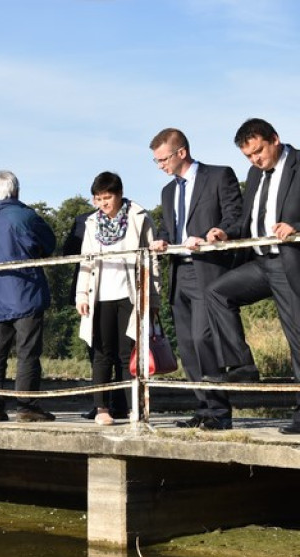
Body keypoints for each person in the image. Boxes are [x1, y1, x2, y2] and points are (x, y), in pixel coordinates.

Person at [206, 119, 300, 435]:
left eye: (258, 151)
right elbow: (247, 221)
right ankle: (244, 367)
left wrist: (297, 229)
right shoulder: (254, 174)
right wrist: (224, 232)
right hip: (260, 262)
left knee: (297, 339)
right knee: (217, 292)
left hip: (291, 264)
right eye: (248, 156)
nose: (255, 160)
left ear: (275, 139)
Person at [148, 127, 244, 431]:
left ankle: (219, 410)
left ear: (181, 152)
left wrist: (218, 232)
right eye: (156, 162)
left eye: (162, 159)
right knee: (188, 344)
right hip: (179, 272)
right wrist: (160, 241)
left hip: (208, 269)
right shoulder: (167, 191)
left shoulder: (219, 176)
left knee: (204, 339)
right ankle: (203, 408)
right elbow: (169, 229)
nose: (160, 165)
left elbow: (236, 216)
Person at [75, 172, 159, 426]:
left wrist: (154, 298)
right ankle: (101, 408)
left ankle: (133, 406)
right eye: (99, 199)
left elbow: (152, 259)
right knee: (102, 353)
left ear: (119, 194)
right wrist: (81, 294)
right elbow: (85, 260)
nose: (103, 203)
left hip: (130, 294)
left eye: (108, 197)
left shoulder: (138, 217)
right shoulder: (92, 223)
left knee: (127, 354)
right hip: (100, 296)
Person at [0, 170, 57, 422]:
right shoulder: (26, 217)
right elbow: (49, 243)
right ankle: (26, 406)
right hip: (25, 293)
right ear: (16, 190)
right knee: (27, 352)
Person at [64, 206, 130, 421]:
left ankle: (114, 405)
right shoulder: (87, 221)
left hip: (122, 291)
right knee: (110, 353)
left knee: (108, 353)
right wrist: (81, 294)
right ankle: (110, 405)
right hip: (94, 293)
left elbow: (68, 251)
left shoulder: (83, 220)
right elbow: (76, 255)